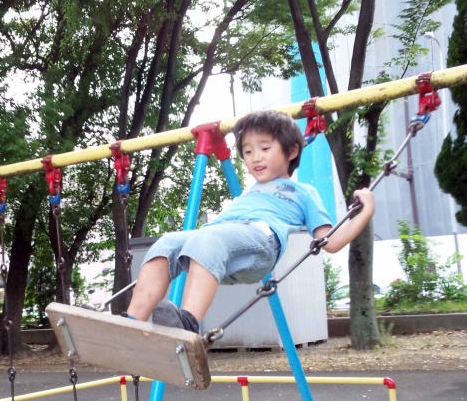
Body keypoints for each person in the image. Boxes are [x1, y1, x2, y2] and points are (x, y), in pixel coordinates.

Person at [126, 110, 375, 333]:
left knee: (208, 238)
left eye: (265, 149)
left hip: (261, 242)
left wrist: (364, 213)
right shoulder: (249, 192)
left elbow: (330, 241)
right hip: (220, 243)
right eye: (247, 151)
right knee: (166, 243)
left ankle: (187, 324)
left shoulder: (303, 192)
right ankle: (131, 325)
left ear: (291, 151)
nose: (255, 157)